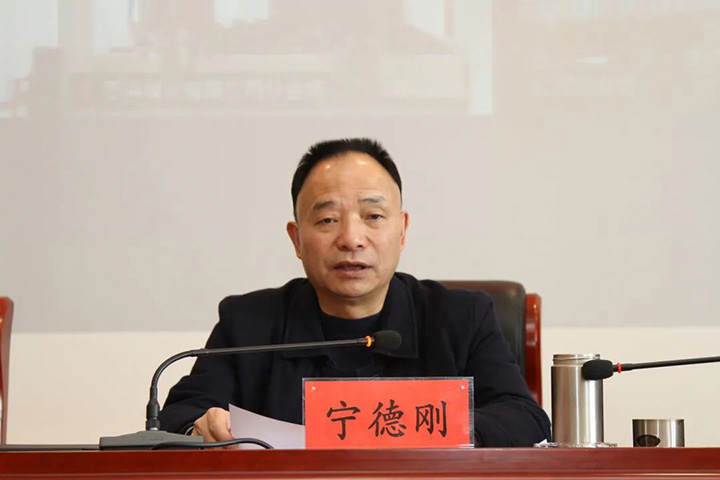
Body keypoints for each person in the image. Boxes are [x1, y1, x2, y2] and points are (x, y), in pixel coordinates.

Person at [159, 138, 551, 446]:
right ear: (296, 240)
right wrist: (201, 428)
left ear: (402, 230)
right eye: (327, 219)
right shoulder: (248, 324)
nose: (351, 238)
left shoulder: (461, 317)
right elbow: (179, 415)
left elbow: (523, 415)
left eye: (373, 216)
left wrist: (440, 433)